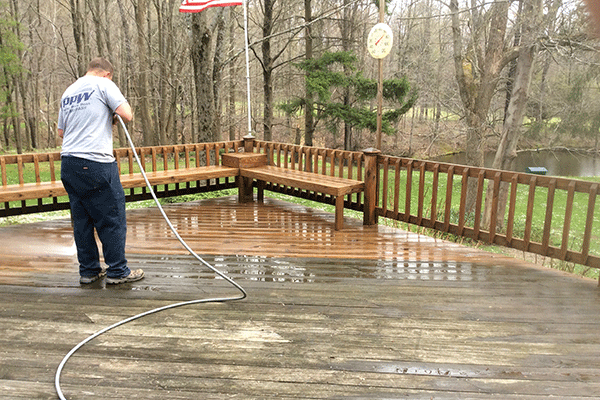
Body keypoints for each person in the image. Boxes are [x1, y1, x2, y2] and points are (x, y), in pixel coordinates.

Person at [58, 57, 144, 285]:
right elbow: (127, 114)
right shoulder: (103, 84)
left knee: (82, 220)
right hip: (95, 162)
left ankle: (89, 271)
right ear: (107, 74)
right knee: (111, 217)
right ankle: (117, 272)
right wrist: (112, 115)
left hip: (69, 163)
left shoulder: (69, 91)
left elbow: (61, 133)